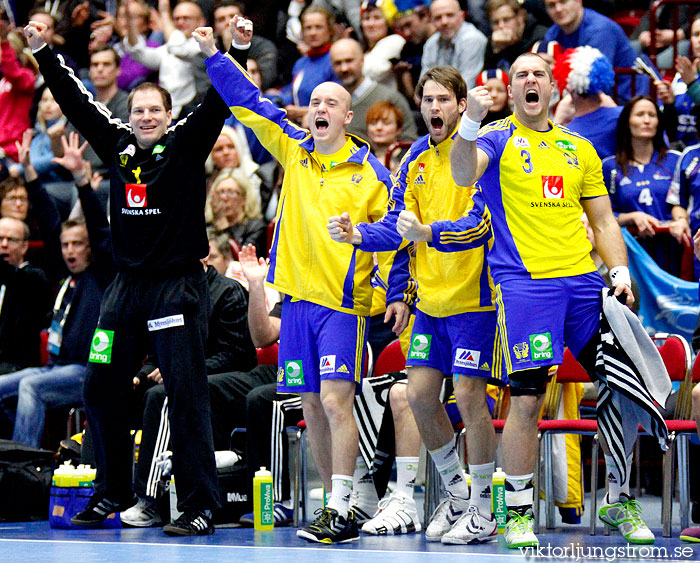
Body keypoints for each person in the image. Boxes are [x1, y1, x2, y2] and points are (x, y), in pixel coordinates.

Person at [24, 14, 253, 536]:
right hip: (124, 292)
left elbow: (220, 99)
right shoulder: (118, 145)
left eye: (156, 110)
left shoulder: (188, 142)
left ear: (170, 115)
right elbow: (77, 102)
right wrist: (42, 53)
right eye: (139, 110)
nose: (147, 117)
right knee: (99, 385)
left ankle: (199, 506)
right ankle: (112, 491)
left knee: (185, 393)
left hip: (176, 287)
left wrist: (235, 48)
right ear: (130, 114)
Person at [201, 28, 414, 544]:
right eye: (314, 100)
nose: (320, 106)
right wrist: (215, 54)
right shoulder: (295, 150)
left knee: (338, 402)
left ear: (347, 117)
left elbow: (400, 236)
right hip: (295, 303)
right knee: (312, 405)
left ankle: (340, 507)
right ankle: (342, 498)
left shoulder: (373, 176)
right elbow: (248, 103)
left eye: (331, 102)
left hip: (342, 306)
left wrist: (398, 292)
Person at [444, 52, 655, 547]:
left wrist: (619, 271)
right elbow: (459, 172)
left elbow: (603, 221)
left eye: (539, 73)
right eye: (521, 75)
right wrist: (470, 119)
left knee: (624, 386)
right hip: (527, 286)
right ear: (511, 91)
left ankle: (618, 500)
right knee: (528, 396)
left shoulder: (578, 148)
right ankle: (517, 509)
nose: (531, 80)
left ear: (554, 87)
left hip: (583, 284)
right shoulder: (495, 138)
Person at [328, 65, 504, 545]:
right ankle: (457, 491)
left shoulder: (479, 153)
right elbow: (395, 223)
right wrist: (359, 235)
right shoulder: (416, 157)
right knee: (419, 395)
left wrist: (429, 234)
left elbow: (478, 225)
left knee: (468, 397)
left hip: (476, 300)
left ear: (461, 105)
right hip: (431, 303)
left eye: (443, 100)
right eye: (426, 100)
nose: (433, 108)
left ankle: (486, 508)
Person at [121, 245, 256, 527]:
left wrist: (182, 370)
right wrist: (141, 374)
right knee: (114, 390)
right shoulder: (168, 296)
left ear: (203, 256)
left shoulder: (228, 292)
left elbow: (235, 354)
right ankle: (107, 488)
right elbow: (157, 354)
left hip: (232, 381)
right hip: (187, 376)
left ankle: (150, 499)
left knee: (165, 394)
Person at [0, 131, 113, 449]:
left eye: (77, 244)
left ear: (90, 249)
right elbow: (51, 221)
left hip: (86, 371)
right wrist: (30, 176)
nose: (69, 250)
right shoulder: (66, 271)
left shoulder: (101, 273)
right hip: (55, 368)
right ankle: (9, 458)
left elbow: (99, 228)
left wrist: (80, 180)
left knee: (31, 388)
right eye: (65, 245)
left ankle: (26, 466)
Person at [603, 95, 686, 275]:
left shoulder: (676, 160)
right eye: (640, 114)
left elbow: (688, 203)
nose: (647, 120)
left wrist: (680, 220)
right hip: (632, 257)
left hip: (673, 253)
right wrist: (633, 217)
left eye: (652, 115)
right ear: (627, 122)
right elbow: (602, 217)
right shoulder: (610, 167)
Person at [543, 0, 643, 101]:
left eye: (563, 2)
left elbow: (592, 80)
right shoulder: (553, 33)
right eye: (551, 5)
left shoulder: (600, 30)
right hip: (585, 100)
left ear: (579, 1)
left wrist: (556, 68)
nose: (558, 9)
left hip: (627, 99)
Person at [123, 0, 206, 119]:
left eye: (186, 18)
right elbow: (139, 54)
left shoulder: (203, 46)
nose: (180, 22)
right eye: (176, 19)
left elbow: (178, 48)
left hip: (191, 111)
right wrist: (131, 22)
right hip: (166, 112)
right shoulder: (169, 47)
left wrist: (164, 13)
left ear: (201, 21)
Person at [330, 38, 417, 144]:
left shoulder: (390, 98)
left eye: (349, 61)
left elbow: (409, 143)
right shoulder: (331, 103)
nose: (344, 68)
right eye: (338, 63)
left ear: (362, 59)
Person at [0, 216, 51, 376]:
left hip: (18, 365)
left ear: (24, 247)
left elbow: (14, 278)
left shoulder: (33, 278)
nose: (4, 244)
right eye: (0, 239)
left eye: (11, 240)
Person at [552, 46, 621, 160]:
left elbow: (554, 159)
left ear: (568, 89)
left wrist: (557, 122)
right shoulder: (623, 116)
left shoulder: (569, 134)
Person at [282, 6, 339, 126]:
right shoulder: (301, 63)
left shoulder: (337, 59)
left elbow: (339, 104)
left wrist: (302, 112)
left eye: (319, 27)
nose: (313, 33)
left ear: (330, 30)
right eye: (308, 28)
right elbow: (292, 95)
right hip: (299, 128)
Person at [421, 0, 487, 89]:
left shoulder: (472, 39)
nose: (444, 22)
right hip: (440, 98)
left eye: (450, 15)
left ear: (462, 16)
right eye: (438, 18)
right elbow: (423, 86)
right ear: (431, 21)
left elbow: (466, 87)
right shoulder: (431, 43)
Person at [205, 167, 267, 255]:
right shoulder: (208, 225)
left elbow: (238, 259)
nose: (224, 198)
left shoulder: (256, 228)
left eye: (231, 192)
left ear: (244, 198)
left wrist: (224, 227)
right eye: (221, 192)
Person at [0, 24, 35, 164]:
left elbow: (13, 73)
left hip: (14, 152)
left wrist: (4, 43)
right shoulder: (2, 82)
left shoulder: (26, 77)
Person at [483, 0, 547, 72]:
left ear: (520, 17)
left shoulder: (539, 37)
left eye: (506, 20)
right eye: (495, 22)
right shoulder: (493, 42)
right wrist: (494, 54)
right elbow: (485, 77)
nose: (501, 26)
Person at [360, 0, 405, 89]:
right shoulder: (363, 49)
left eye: (377, 18)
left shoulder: (395, 40)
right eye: (366, 18)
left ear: (387, 22)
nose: (371, 24)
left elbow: (373, 71)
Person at [366, 101, 405, 173]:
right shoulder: (363, 156)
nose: (379, 127)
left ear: (398, 129)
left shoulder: (409, 157)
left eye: (386, 123)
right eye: (373, 123)